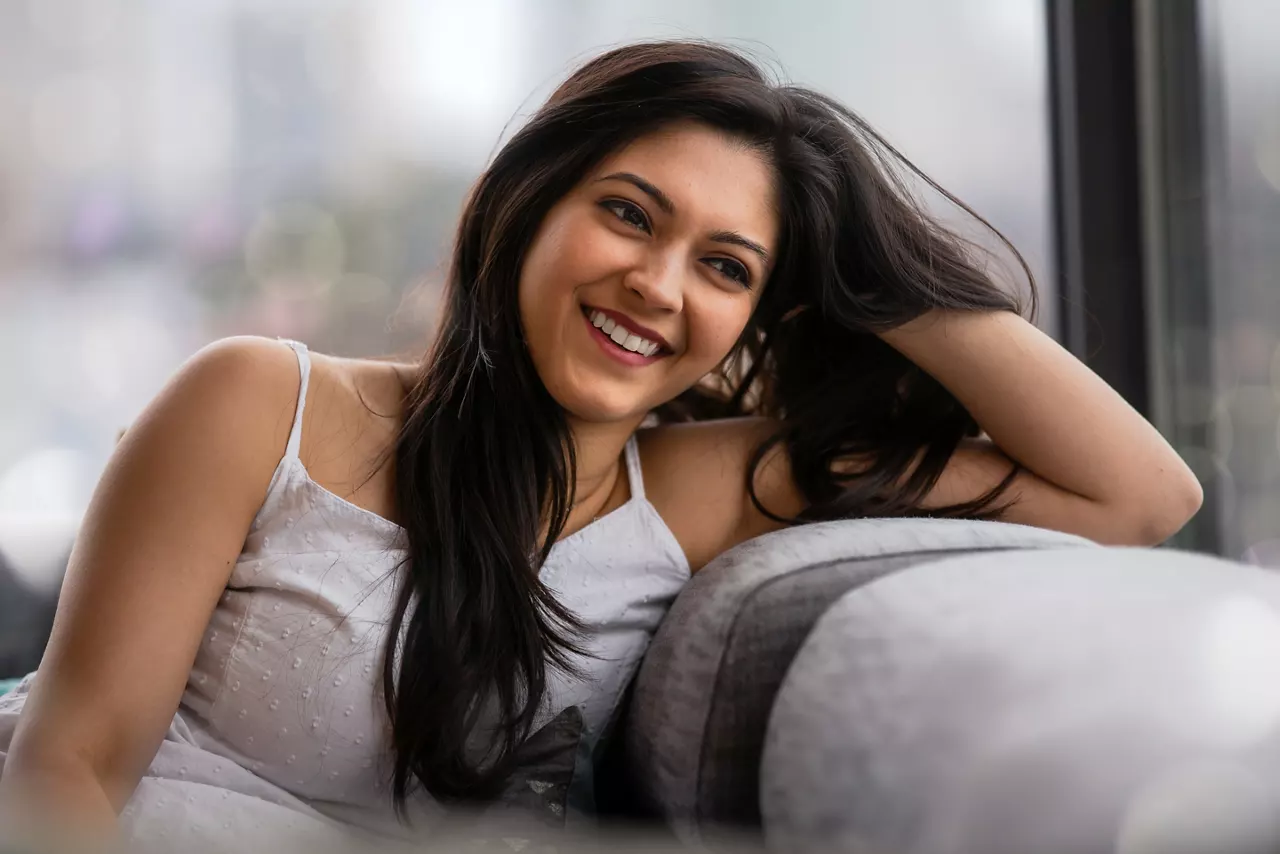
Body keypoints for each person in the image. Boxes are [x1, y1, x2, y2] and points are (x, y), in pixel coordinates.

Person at [0, 39, 1202, 850]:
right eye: (627, 212)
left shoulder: (701, 490)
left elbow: (1138, 492)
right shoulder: (261, 399)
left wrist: (869, 265)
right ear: (529, 202)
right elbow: (70, 765)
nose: (657, 283)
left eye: (725, 266)